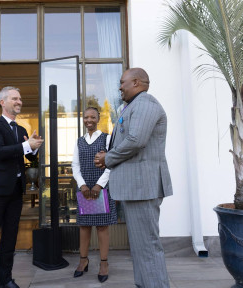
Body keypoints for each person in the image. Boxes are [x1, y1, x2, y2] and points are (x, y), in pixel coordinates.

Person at [94, 68, 173, 288]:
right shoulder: (135, 106)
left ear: (136, 82)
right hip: (137, 188)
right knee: (140, 248)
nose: (119, 87)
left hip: (143, 188)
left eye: (122, 82)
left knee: (147, 246)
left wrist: (108, 158)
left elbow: (136, 140)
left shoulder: (146, 104)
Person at [0, 86, 44, 288]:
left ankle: (5, 280)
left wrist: (34, 147)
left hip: (15, 191)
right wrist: (26, 145)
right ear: (2, 102)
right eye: (15, 98)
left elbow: (28, 156)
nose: (19, 101)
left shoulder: (21, 130)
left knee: (10, 239)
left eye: (20, 99)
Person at [72, 107, 117, 283]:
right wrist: (82, 185)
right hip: (84, 187)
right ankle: (83, 261)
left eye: (92, 117)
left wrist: (99, 185)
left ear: (98, 119)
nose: (89, 120)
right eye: (86, 117)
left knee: (102, 227)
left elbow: (111, 163)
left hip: (101, 187)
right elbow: (75, 165)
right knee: (84, 226)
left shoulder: (106, 138)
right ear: (83, 120)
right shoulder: (79, 141)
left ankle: (104, 264)